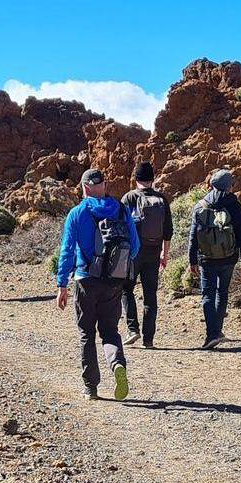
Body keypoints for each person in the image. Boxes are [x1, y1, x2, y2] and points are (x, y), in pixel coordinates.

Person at [56, 168, 139, 400]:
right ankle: (116, 364)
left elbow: (67, 251)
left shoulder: (77, 212)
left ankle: (90, 387)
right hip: (114, 282)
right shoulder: (122, 210)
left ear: (84, 188)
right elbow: (135, 247)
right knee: (110, 331)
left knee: (86, 333)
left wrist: (62, 284)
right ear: (104, 185)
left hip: (85, 280)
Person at [187, 168, 241, 349]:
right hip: (228, 257)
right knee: (222, 292)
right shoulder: (234, 205)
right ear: (229, 186)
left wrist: (192, 259)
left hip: (206, 258)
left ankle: (212, 333)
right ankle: (217, 331)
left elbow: (193, 235)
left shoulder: (200, 205)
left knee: (207, 294)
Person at [119, 162, 172, 348]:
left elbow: (120, 227)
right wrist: (164, 255)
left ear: (136, 179)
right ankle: (148, 340)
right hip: (154, 251)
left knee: (126, 289)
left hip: (134, 253)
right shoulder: (161, 199)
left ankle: (133, 329)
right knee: (150, 296)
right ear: (152, 179)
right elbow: (168, 231)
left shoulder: (129, 198)